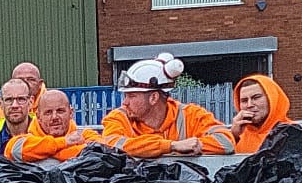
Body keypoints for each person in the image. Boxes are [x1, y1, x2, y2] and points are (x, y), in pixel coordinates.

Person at [98, 53, 235, 158]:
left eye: (132, 96)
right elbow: (111, 145)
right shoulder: (118, 117)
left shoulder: (191, 115)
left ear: (153, 98)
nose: (125, 102)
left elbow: (226, 142)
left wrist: (195, 146)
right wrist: (172, 147)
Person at [6, 88, 102, 162]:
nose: (55, 117)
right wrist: (64, 142)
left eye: (60, 111)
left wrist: (41, 151)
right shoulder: (23, 142)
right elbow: (12, 150)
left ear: (71, 113)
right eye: (48, 113)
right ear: (38, 117)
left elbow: (103, 152)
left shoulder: (86, 135)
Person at [226, 73, 299, 153]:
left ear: (271, 99)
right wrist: (233, 136)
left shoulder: (299, 133)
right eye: (244, 100)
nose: (249, 105)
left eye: (256, 98)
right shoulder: (235, 138)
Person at [0, 78, 37, 154]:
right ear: (0, 103)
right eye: (9, 100)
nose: (14, 105)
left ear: (31, 102)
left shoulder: (44, 133)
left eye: (21, 99)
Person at [0, 61, 45, 127]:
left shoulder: (51, 103)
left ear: (40, 84)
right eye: (20, 79)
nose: (26, 83)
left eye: (31, 79)